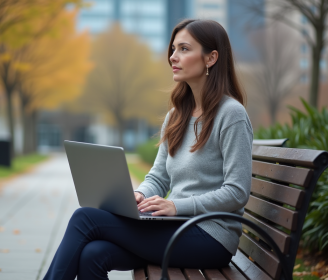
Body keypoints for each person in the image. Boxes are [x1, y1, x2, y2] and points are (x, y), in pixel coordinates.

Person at [43, 19, 253, 280]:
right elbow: (159, 177)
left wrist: (176, 206)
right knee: (93, 254)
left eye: (184, 49)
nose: (173, 57)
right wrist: (140, 195)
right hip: (177, 228)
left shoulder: (231, 114)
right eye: (173, 49)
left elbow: (237, 191)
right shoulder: (177, 115)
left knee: (85, 218)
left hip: (210, 235)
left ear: (211, 58)